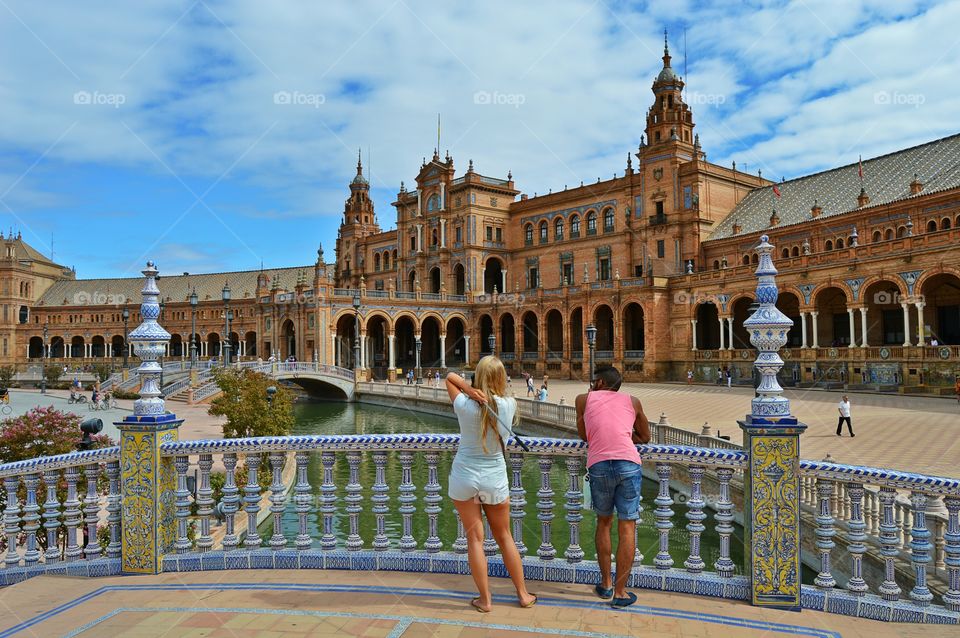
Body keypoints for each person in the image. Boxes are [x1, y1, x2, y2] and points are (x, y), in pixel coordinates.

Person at [445, 358, 536, 613]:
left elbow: (449, 377)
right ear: (501, 378)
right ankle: (523, 594)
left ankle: (485, 600)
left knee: (475, 539)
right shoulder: (509, 405)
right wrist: (476, 392)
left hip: (465, 478)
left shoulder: (463, 404)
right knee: (504, 536)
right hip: (492, 480)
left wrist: (467, 388)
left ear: (479, 376)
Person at [576, 365, 650, 609]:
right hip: (628, 463)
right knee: (627, 526)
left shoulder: (583, 400)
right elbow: (645, 437)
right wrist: (624, 435)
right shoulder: (633, 401)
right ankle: (620, 592)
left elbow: (585, 435)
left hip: (598, 465)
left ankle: (606, 584)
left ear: (598, 383)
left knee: (604, 522)